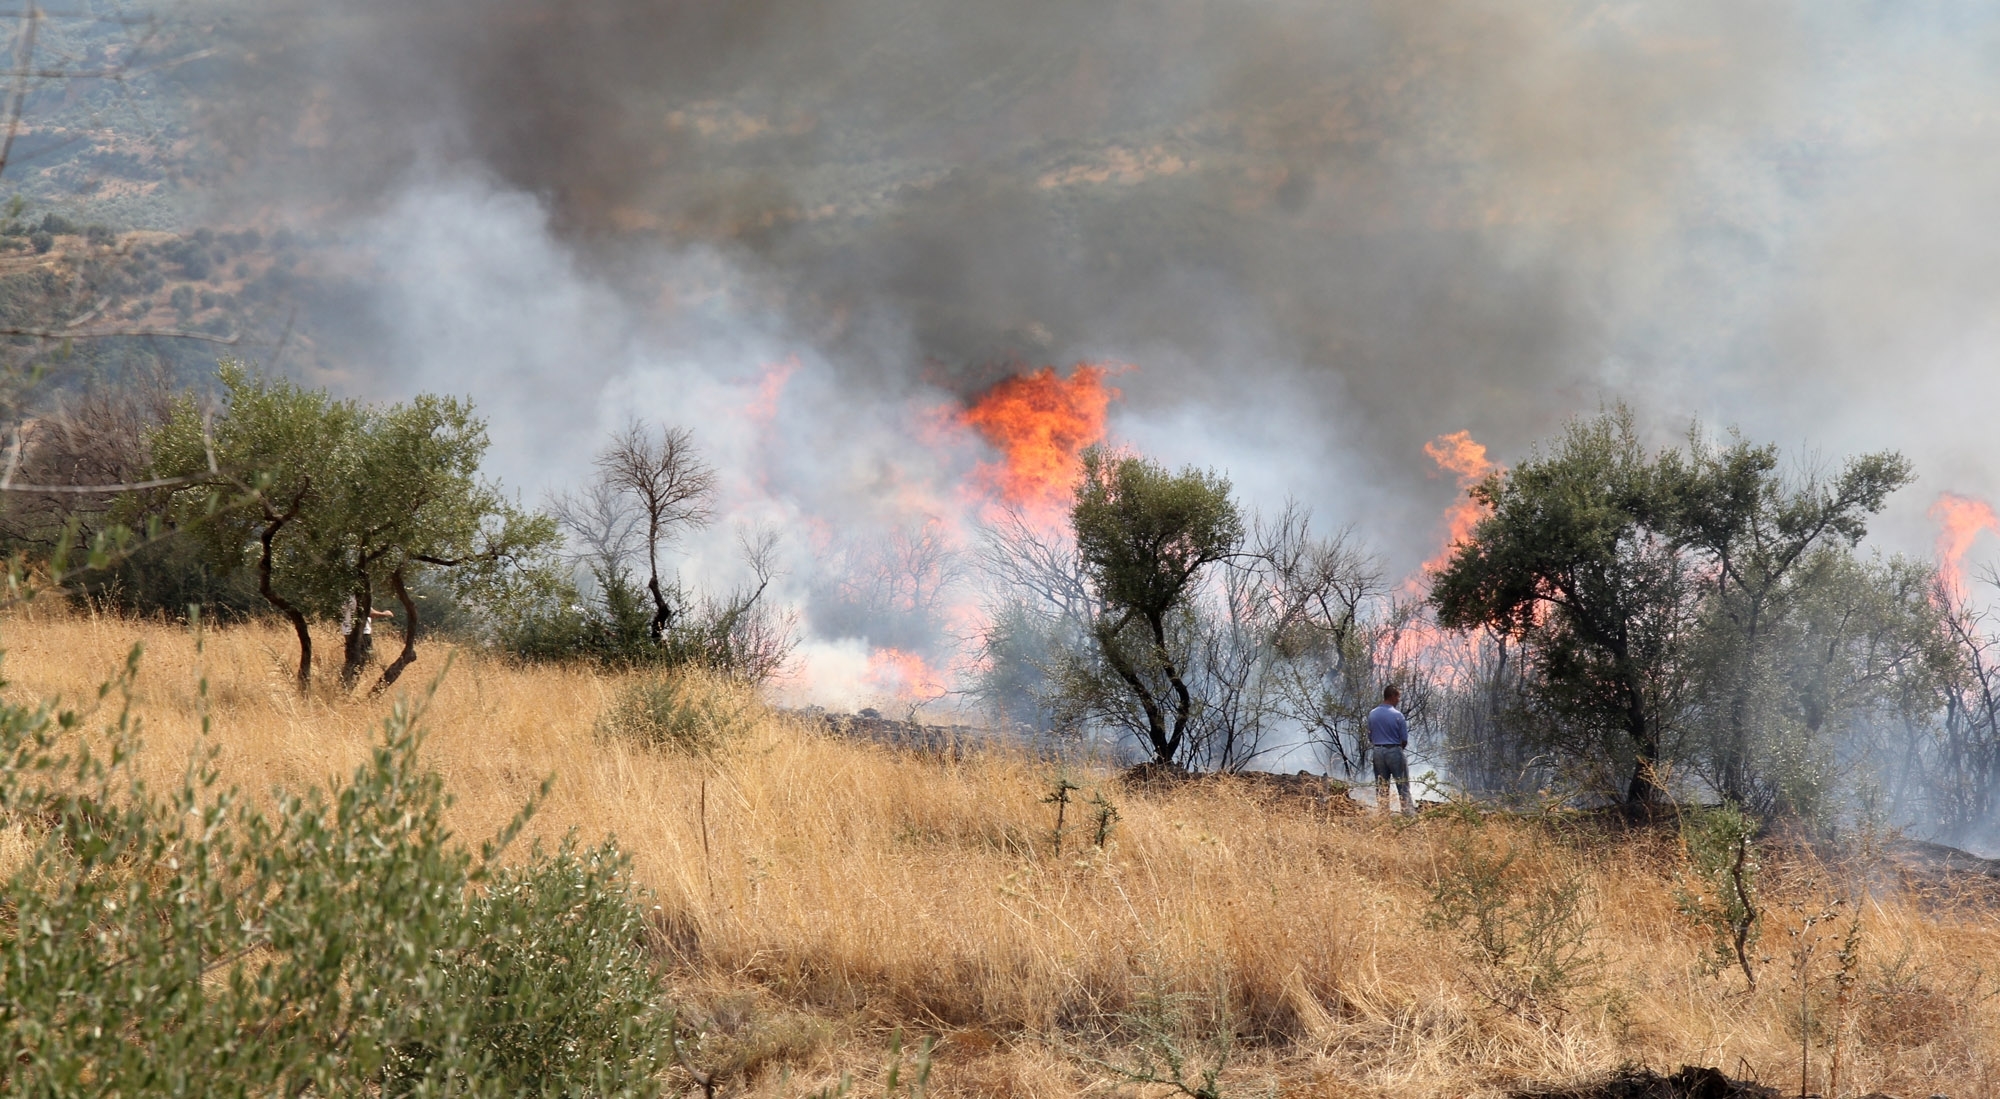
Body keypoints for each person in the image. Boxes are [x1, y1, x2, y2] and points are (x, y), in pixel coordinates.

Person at [1366, 684, 1417, 817]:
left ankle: (1383, 815)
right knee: (1402, 785)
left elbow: (1370, 736)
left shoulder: (1372, 714)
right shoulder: (1397, 715)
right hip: (1394, 750)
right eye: (1398, 697)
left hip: (1377, 752)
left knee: (1382, 786)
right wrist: (1398, 750)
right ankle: (1408, 815)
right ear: (1393, 696)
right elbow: (1404, 740)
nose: (1399, 700)